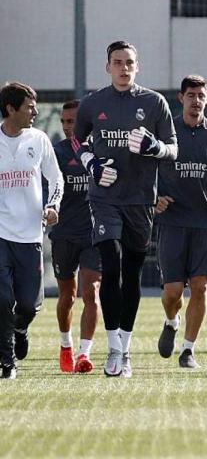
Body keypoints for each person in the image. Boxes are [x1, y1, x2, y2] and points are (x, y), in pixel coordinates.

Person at [73, 40, 178, 378]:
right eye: (117, 62)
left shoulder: (154, 102)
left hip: (141, 200)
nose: (123, 67)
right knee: (111, 264)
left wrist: (155, 147)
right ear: (108, 67)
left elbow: (173, 150)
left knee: (131, 273)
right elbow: (78, 140)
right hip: (104, 199)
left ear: (137, 66)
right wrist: (91, 164)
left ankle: (126, 348)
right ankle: (113, 349)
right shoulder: (93, 103)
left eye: (129, 62)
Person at [154, 75, 207, 369]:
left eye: (201, 95)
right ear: (181, 98)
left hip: (204, 224)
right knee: (172, 292)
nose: (196, 100)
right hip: (172, 222)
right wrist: (155, 197)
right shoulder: (165, 132)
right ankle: (171, 320)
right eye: (191, 95)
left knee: (200, 287)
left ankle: (188, 350)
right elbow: (145, 169)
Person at [0, 82, 62, 379]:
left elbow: (56, 178)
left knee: (28, 305)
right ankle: (7, 361)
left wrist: (53, 206)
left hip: (30, 236)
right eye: (29, 106)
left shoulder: (39, 139)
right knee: (2, 300)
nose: (35, 111)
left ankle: (21, 328)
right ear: (11, 109)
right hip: (0, 234)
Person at [50, 99, 101, 373]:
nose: (70, 127)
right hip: (64, 234)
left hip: (93, 234)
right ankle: (65, 344)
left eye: (75, 121)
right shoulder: (55, 153)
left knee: (91, 292)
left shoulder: (100, 151)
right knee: (67, 297)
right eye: (66, 122)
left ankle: (84, 354)